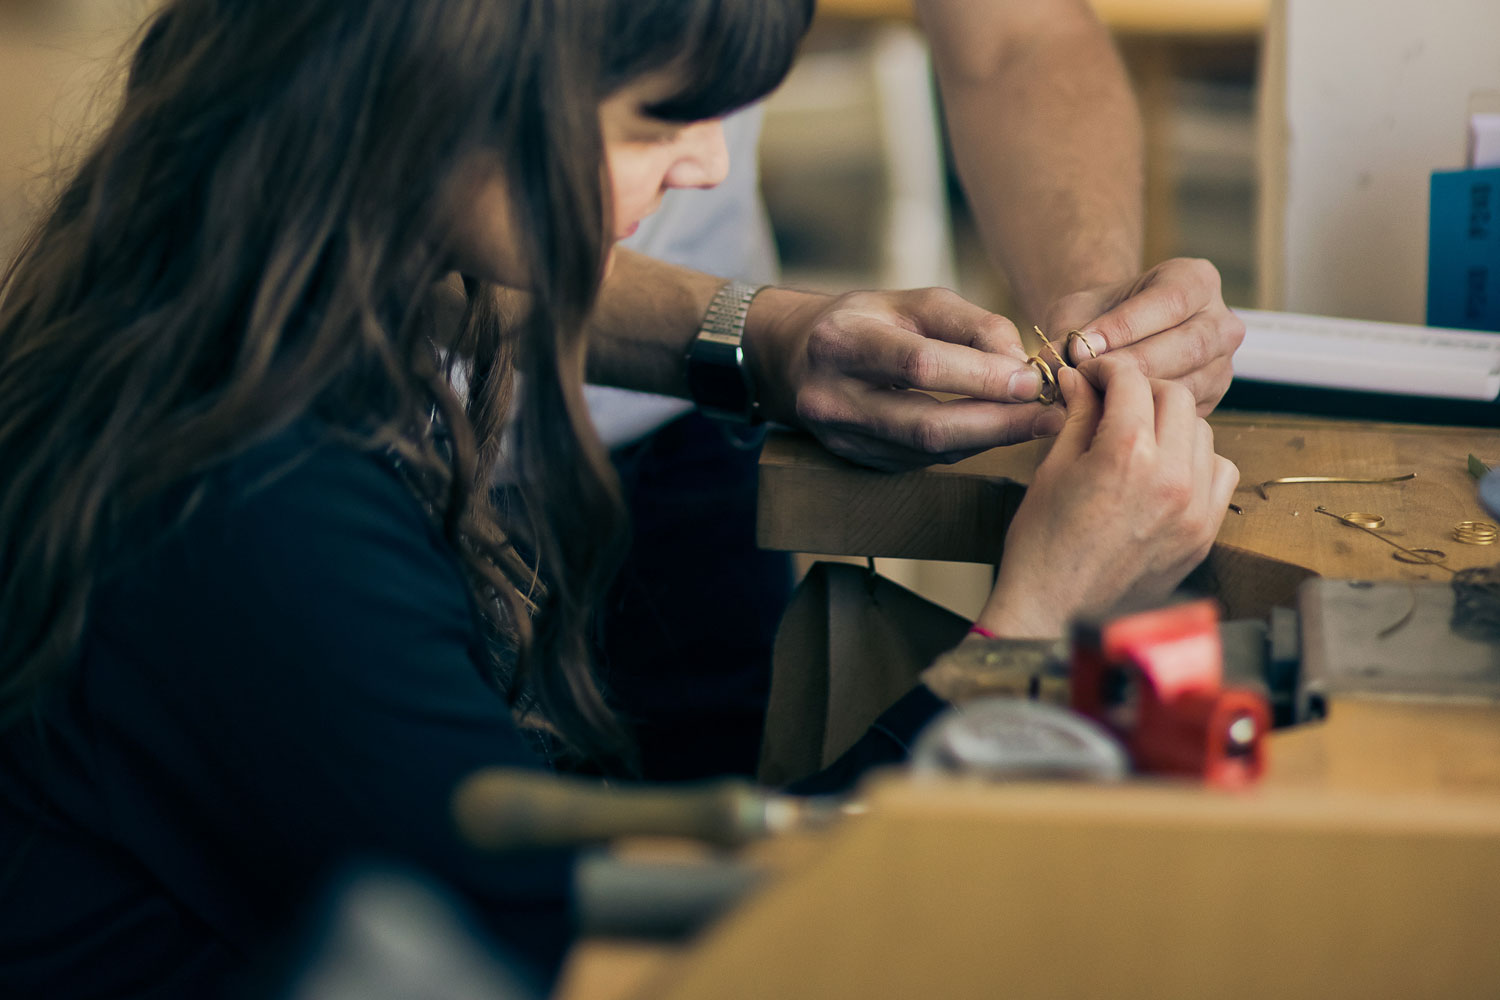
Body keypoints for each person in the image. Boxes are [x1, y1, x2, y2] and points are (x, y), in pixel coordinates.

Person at [0, 1, 1234, 997]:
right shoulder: (255, 511)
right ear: (439, 87)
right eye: (657, 119)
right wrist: (1038, 633)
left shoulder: (275, 324)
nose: (707, 168)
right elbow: (686, 955)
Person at [585, 0, 1245, 781]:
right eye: (659, 123)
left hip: (682, 435)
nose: (712, 164)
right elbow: (425, 236)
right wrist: (756, 339)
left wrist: (1101, 312)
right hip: (433, 441)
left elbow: (1018, 36)